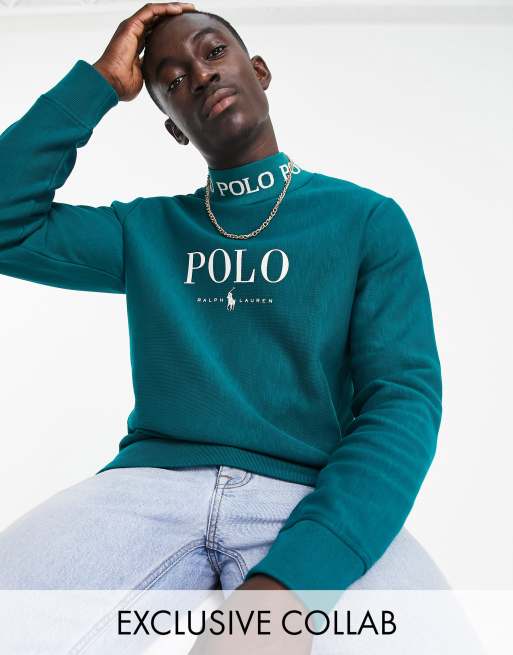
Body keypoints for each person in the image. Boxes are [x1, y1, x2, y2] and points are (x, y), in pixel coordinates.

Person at [0, 3, 484, 654]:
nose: (199, 75)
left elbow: (401, 404)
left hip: (309, 493)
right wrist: (100, 83)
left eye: (213, 52)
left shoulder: (366, 220)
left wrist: (292, 584)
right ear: (173, 129)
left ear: (258, 72)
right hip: (149, 487)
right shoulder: (145, 231)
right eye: (172, 81)